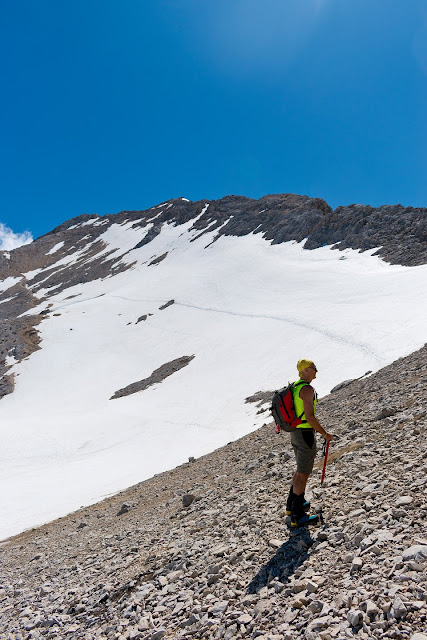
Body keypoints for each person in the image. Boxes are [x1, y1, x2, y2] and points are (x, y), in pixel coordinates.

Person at [285, 358, 333, 527]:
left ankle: (292, 506)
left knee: (299, 469)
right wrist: (325, 434)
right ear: (305, 370)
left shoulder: (295, 386)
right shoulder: (306, 389)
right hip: (305, 433)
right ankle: (297, 516)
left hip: (295, 432)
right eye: (313, 368)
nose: (316, 371)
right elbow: (310, 417)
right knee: (303, 473)